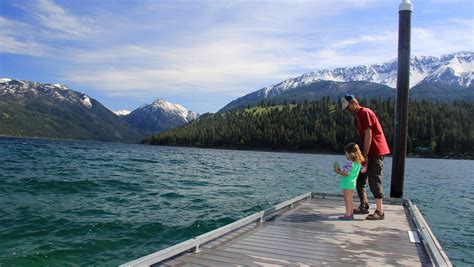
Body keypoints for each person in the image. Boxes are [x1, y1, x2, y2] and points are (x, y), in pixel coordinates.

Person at [341, 94, 390, 220]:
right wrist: (362, 154)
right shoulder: (357, 117)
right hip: (366, 153)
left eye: (348, 107)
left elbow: (369, 135)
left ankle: (380, 211)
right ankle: (364, 205)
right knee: (360, 179)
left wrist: (366, 155)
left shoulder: (365, 113)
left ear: (353, 103)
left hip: (376, 151)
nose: (347, 110)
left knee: (374, 179)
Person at [333, 143, 364, 220]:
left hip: (347, 183)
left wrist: (338, 171)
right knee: (350, 199)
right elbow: (363, 170)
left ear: (351, 153)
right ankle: (351, 214)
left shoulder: (349, 162)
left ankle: (347, 215)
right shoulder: (358, 163)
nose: (345, 154)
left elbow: (346, 173)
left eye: (346, 153)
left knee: (347, 200)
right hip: (353, 183)